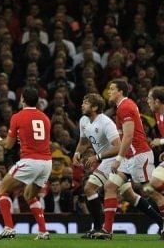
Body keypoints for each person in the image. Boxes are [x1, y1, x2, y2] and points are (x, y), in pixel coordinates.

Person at [94, 80, 163, 240]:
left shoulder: (125, 107)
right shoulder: (123, 107)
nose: (109, 92)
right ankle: (107, 231)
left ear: (121, 92)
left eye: (112, 89)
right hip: (129, 157)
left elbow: (129, 136)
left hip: (139, 156)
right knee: (110, 187)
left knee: (151, 192)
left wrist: (117, 158)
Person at [0, 86, 51, 240]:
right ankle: (43, 232)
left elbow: (8, 145)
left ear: (22, 99)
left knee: (2, 190)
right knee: (29, 194)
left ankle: (9, 228)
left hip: (30, 161)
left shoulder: (17, 117)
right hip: (46, 163)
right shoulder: (45, 117)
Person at [73, 93, 121, 237]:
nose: (82, 105)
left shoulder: (106, 122)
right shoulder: (83, 121)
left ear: (95, 107)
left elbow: (118, 147)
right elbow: (83, 142)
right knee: (130, 195)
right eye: (83, 102)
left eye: (86, 103)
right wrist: (76, 154)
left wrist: (97, 157)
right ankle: (160, 222)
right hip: (104, 160)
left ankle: (99, 227)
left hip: (115, 159)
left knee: (89, 187)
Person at [145, 86, 164, 228]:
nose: (147, 101)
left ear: (157, 101)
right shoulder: (158, 115)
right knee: (151, 187)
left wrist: (161, 141)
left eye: (150, 99)